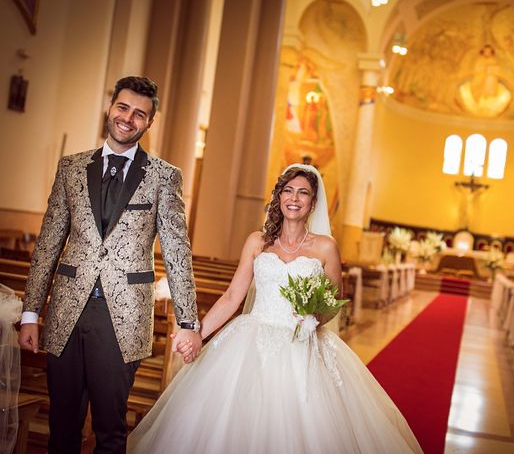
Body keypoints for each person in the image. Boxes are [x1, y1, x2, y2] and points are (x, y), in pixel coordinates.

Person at [127, 163, 423, 453]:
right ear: (279, 196)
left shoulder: (326, 247)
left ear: (313, 202)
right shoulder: (258, 241)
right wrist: (197, 333)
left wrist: (313, 317)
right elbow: (232, 296)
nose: (294, 199)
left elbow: (333, 302)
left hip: (302, 343)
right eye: (288, 191)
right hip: (250, 340)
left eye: (303, 193)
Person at [18, 76, 202, 454]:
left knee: (110, 431)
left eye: (139, 114)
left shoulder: (164, 177)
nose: (128, 118)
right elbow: (49, 242)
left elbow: (177, 252)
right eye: (123, 108)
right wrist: (31, 313)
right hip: (66, 311)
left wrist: (189, 322)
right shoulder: (71, 168)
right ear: (110, 107)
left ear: (149, 123)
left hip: (124, 317)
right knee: (61, 428)